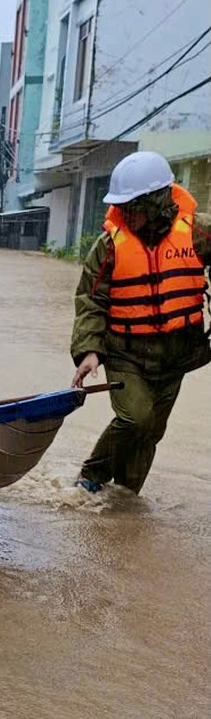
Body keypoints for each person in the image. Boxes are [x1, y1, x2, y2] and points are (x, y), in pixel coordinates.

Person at [70, 151, 211, 494]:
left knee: (151, 431)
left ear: (158, 202)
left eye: (132, 207)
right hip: (125, 351)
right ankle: (91, 475)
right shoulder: (109, 246)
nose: (124, 214)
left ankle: (126, 496)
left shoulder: (198, 233)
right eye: (121, 207)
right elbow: (90, 299)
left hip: (176, 354)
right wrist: (89, 350)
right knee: (136, 418)